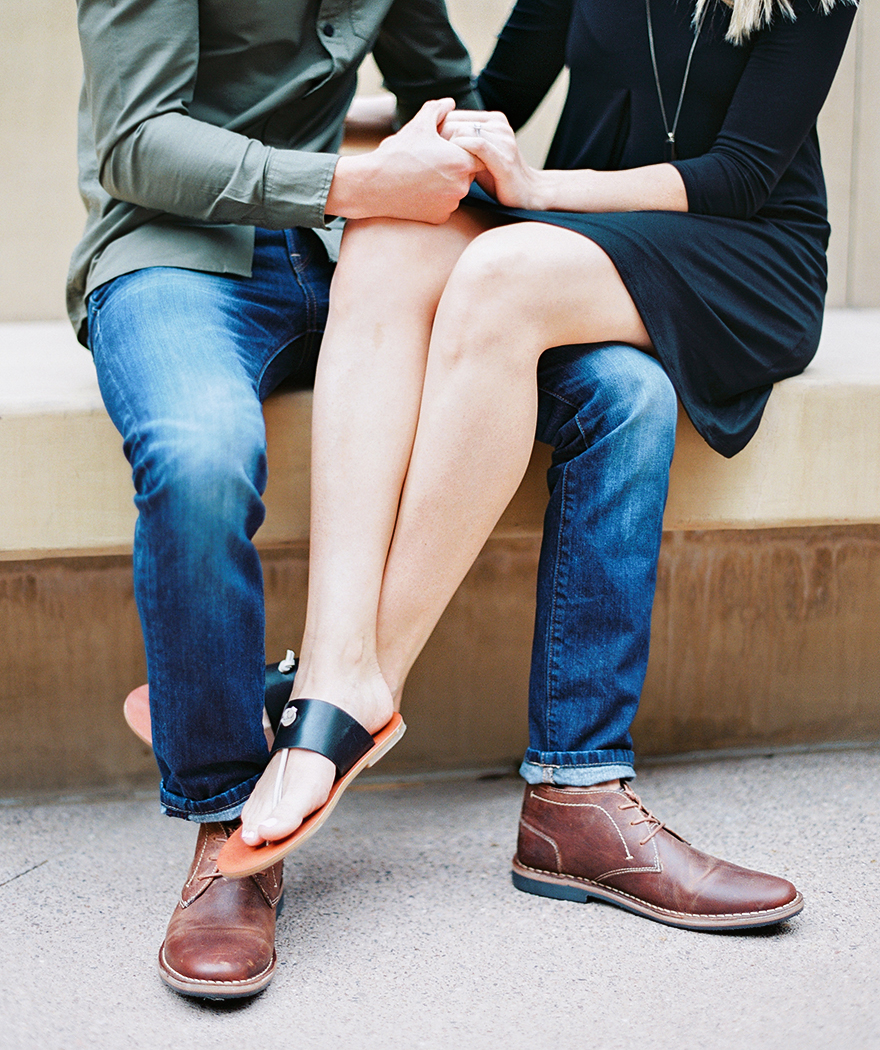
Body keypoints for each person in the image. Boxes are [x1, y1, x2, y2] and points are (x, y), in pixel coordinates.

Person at [226, 0, 857, 936]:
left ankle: (350, 692)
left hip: (746, 254)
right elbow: (494, 100)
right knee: (394, 231)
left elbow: (741, 176)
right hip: (582, 240)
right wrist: (373, 134)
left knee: (501, 272)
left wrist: (541, 186)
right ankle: (332, 661)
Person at [68, 0, 486, 999]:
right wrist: (355, 177)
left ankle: (576, 780)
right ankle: (227, 826)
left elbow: (444, 81)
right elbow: (133, 141)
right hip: (175, 253)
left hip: (347, 257)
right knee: (202, 458)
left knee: (592, 385)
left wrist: (474, 155)